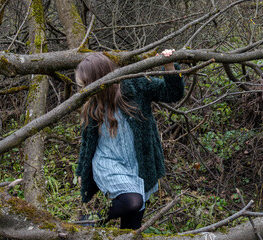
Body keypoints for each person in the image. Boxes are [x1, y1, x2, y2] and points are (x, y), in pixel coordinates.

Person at [75, 50, 184, 230]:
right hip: (108, 162)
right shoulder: (92, 102)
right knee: (133, 201)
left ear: (99, 77)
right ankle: (89, 219)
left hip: (138, 164)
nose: (84, 87)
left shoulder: (137, 85)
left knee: (132, 226)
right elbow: (87, 141)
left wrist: (170, 65)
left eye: (87, 82)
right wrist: (81, 170)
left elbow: (173, 93)